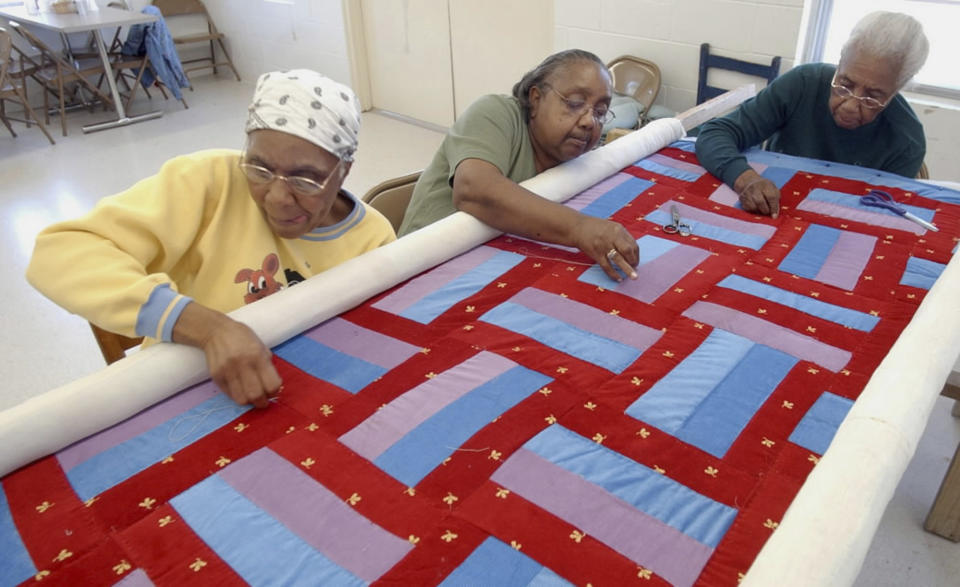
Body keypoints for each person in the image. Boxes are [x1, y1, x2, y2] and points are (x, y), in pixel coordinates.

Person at [26, 69, 395, 408]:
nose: (278, 197)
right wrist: (206, 327)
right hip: (184, 387)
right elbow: (59, 251)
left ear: (344, 171)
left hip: (300, 393)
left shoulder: (372, 239)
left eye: (306, 179)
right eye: (260, 169)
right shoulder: (209, 183)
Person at [398, 49, 640, 282]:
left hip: (483, 266)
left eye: (600, 111)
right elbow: (474, 190)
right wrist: (581, 229)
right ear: (536, 98)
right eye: (575, 103)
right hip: (418, 267)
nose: (589, 121)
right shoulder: (495, 113)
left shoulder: (571, 160)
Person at [695, 11, 929, 218]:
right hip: (772, 209)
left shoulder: (906, 141)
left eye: (872, 96)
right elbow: (716, 133)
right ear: (840, 62)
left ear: (897, 89)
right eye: (844, 83)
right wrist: (746, 179)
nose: (849, 105)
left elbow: (881, 213)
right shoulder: (802, 84)